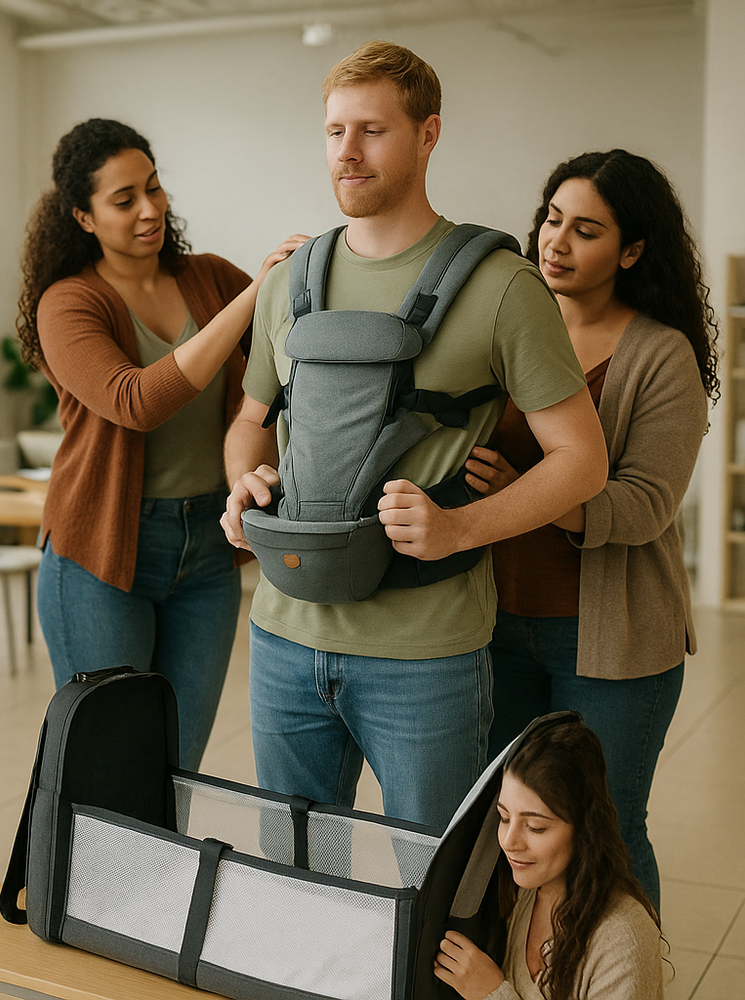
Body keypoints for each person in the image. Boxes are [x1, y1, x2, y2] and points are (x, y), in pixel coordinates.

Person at [221, 40, 609, 830]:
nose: (347, 152)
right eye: (334, 132)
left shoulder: (504, 288)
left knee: (427, 881)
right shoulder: (287, 282)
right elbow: (249, 423)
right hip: (284, 636)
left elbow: (584, 461)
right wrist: (244, 484)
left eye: (372, 130)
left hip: (426, 651)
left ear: (429, 134)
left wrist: (459, 526)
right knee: (295, 874)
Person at [464, 151, 715, 908]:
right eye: (551, 219)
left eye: (586, 230)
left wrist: (533, 495)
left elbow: (644, 505)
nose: (556, 242)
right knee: (502, 825)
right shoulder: (509, 325)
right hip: (496, 623)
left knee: (607, 828)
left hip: (612, 640)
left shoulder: (660, 354)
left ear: (632, 251)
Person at [16, 117, 306, 771]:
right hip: (101, 555)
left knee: (173, 768)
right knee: (110, 767)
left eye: (153, 188)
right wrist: (256, 294)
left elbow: (291, 353)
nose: (149, 210)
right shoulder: (69, 304)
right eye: (124, 200)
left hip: (206, 548)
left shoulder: (207, 279)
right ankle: (88, 879)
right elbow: (136, 402)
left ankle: (153, 879)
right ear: (83, 218)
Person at [434, 717, 664, 1000]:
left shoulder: (624, 940)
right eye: (504, 818)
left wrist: (492, 994)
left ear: (585, 830)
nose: (508, 841)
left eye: (536, 827)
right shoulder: (526, 893)